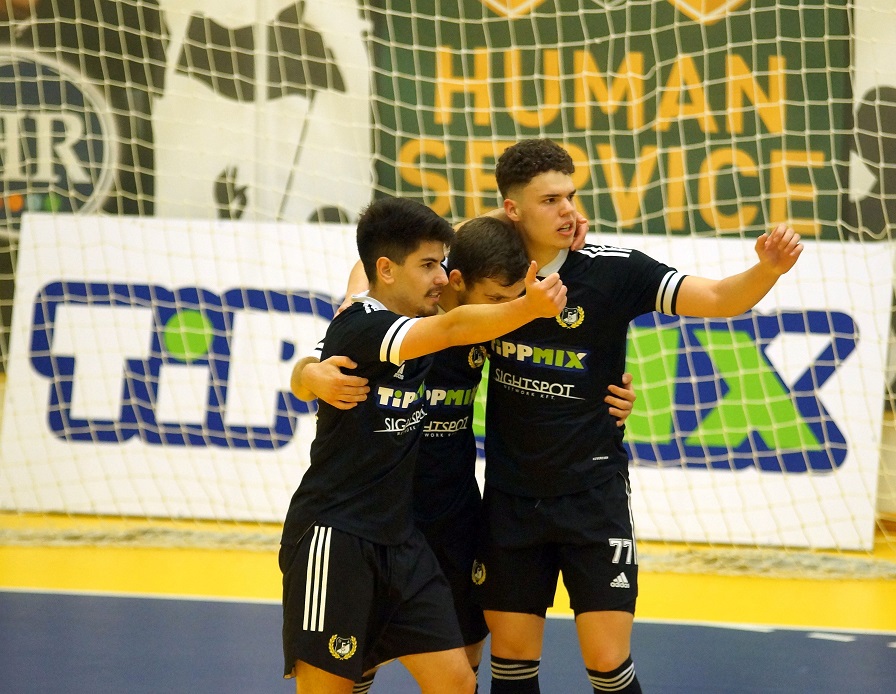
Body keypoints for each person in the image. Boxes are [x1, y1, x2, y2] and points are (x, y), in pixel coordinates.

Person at [472, 138, 803, 694]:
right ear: (512, 209)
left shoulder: (613, 271)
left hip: (592, 498)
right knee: (511, 662)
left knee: (608, 664)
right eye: (549, 200)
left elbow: (719, 298)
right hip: (510, 498)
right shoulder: (485, 268)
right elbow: (394, 257)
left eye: (570, 196)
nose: (568, 211)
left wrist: (766, 269)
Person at [291, 216, 638, 694]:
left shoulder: (488, 318)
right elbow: (362, 305)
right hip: (366, 516)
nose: (506, 307)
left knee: (462, 668)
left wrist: (604, 398)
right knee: (354, 665)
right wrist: (308, 376)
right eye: (497, 299)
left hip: (449, 513)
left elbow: (548, 364)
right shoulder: (384, 317)